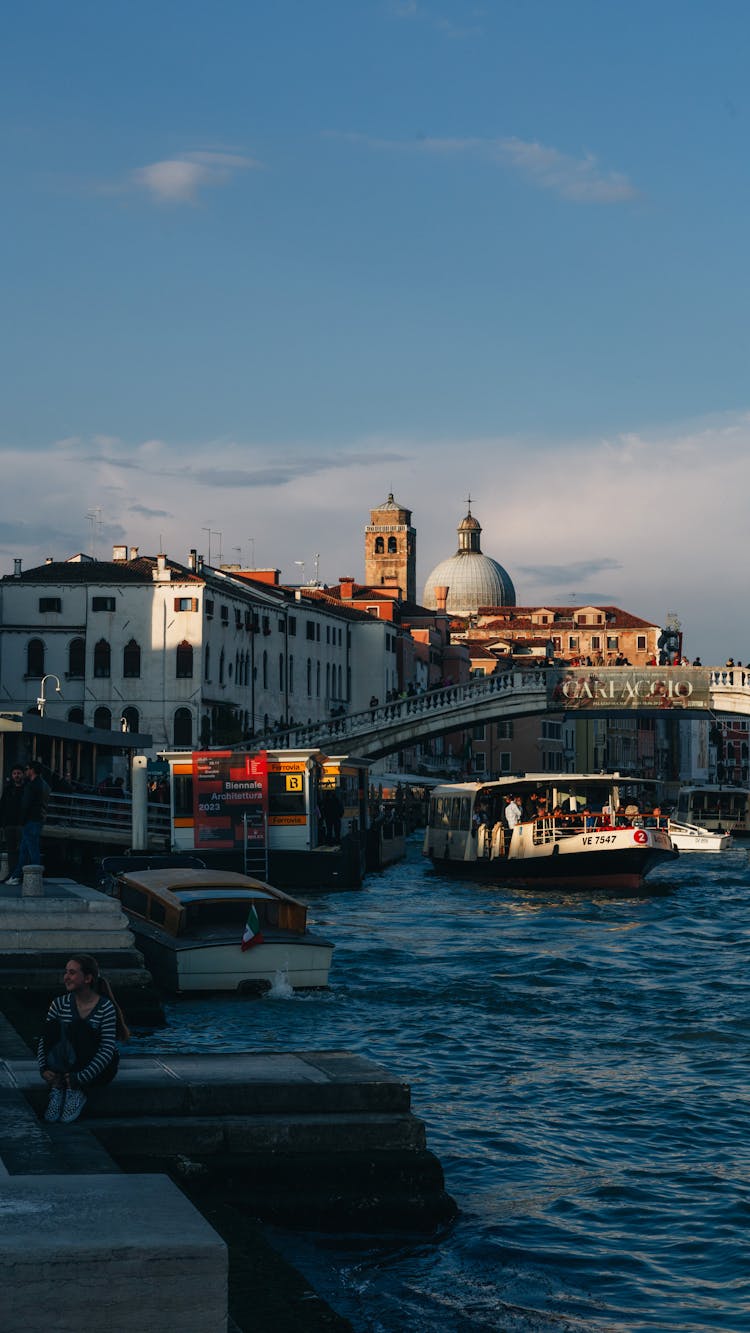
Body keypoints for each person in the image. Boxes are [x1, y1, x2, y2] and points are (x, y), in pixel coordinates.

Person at [37, 953, 130, 1123]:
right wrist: (44, 1069)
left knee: (79, 1027)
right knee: (52, 1026)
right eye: (66, 972)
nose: (66, 977)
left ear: (87, 978)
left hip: (97, 1069)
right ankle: (58, 1087)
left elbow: (107, 1049)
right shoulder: (58, 1003)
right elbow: (45, 1040)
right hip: (67, 1063)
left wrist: (80, 1078)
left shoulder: (105, 1007)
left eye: (72, 973)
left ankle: (76, 1091)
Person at [6, 759, 50, 885]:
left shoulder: (31, 786)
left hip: (31, 820)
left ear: (32, 770)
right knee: (25, 850)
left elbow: (26, 805)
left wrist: (21, 820)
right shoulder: (45, 785)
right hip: (39, 819)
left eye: (27, 769)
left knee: (32, 849)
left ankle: (34, 877)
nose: (25, 771)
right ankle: (16, 876)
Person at [0, 764, 26, 879]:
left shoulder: (27, 789)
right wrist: (2, 823)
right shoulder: (8, 789)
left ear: (23, 774)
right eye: (14, 774)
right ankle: (11, 873)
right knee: (10, 850)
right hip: (9, 824)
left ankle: (20, 873)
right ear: (12, 775)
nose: (16, 776)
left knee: (22, 849)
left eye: (18, 773)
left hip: (22, 824)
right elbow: (2, 806)